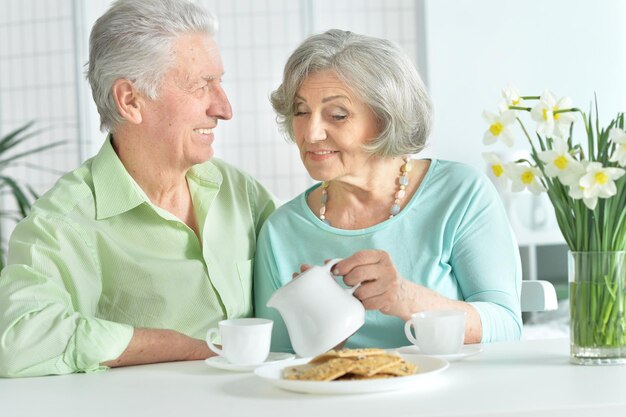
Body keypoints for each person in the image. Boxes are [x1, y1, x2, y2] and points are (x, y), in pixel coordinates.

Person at [0, 0, 277, 378]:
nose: (224, 108)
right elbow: (20, 339)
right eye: (201, 85)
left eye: (220, 81)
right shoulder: (65, 222)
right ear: (130, 100)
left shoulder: (239, 190)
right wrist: (178, 347)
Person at [254, 29, 522, 352]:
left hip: (452, 399)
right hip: (338, 400)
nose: (310, 133)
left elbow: (507, 327)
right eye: (300, 111)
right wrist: (325, 337)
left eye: (337, 115)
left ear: (384, 119)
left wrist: (405, 298)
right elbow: (277, 363)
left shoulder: (460, 194)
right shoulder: (281, 232)